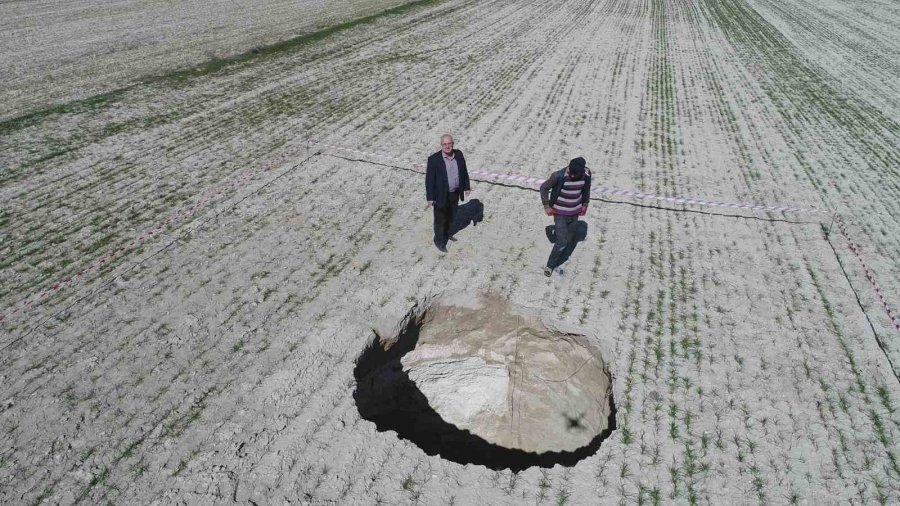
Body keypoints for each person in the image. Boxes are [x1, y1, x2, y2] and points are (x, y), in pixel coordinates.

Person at [539, 157, 591, 277]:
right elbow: (544, 188)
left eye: (575, 174)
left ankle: (563, 253)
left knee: (569, 238)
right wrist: (547, 206)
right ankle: (550, 265)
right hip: (560, 212)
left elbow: (586, 190)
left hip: (575, 212)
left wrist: (585, 204)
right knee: (561, 242)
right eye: (571, 172)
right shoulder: (558, 175)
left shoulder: (586, 175)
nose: (572, 175)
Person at [425, 134, 471, 252]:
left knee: (451, 216)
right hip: (440, 195)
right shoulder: (434, 159)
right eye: (444, 144)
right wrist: (430, 197)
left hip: (455, 193)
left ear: (452, 144)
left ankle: (447, 234)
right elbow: (429, 180)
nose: (447, 146)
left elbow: (464, 172)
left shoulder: (459, 155)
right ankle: (439, 241)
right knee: (440, 219)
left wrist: (466, 187)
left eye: (449, 143)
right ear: (441, 145)